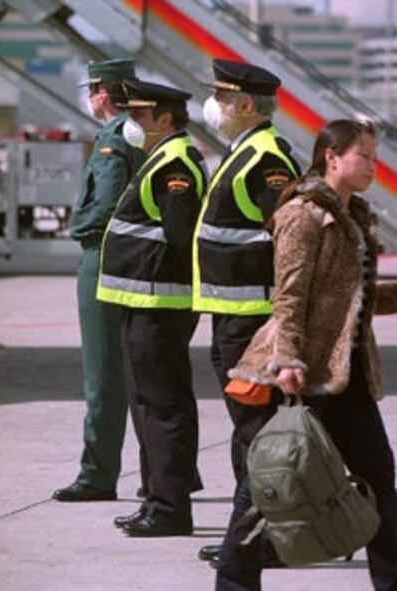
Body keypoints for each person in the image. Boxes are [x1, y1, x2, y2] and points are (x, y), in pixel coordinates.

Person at [215, 119, 397, 591]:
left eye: (374, 157)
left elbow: (349, 295)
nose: (371, 166)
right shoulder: (303, 214)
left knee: (378, 481)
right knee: (267, 487)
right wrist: (288, 360)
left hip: (346, 375)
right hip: (297, 373)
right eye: (363, 156)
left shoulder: (354, 213)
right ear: (331, 156)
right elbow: (290, 298)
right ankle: (234, 584)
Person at [192, 59, 300, 563]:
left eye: (220, 95)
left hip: (254, 320)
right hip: (233, 315)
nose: (213, 104)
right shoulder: (243, 151)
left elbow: (289, 240)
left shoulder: (266, 158)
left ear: (244, 105)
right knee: (247, 433)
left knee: (259, 435)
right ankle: (248, 537)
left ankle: (269, 540)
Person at [96, 79, 208, 536]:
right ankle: (158, 498)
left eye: (140, 114)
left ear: (165, 118)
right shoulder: (160, 157)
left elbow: (182, 241)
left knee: (163, 406)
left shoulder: (176, 163)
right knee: (150, 403)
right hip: (144, 299)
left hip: (161, 303)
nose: (132, 122)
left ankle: (170, 508)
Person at [53, 59, 145, 502]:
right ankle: (163, 475)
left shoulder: (114, 136)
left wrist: (80, 229)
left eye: (92, 88)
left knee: (103, 373)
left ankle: (97, 474)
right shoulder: (136, 131)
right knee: (140, 372)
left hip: (104, 257)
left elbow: (106, 202)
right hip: (130, 260)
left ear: (103, 92)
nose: (90, 97)